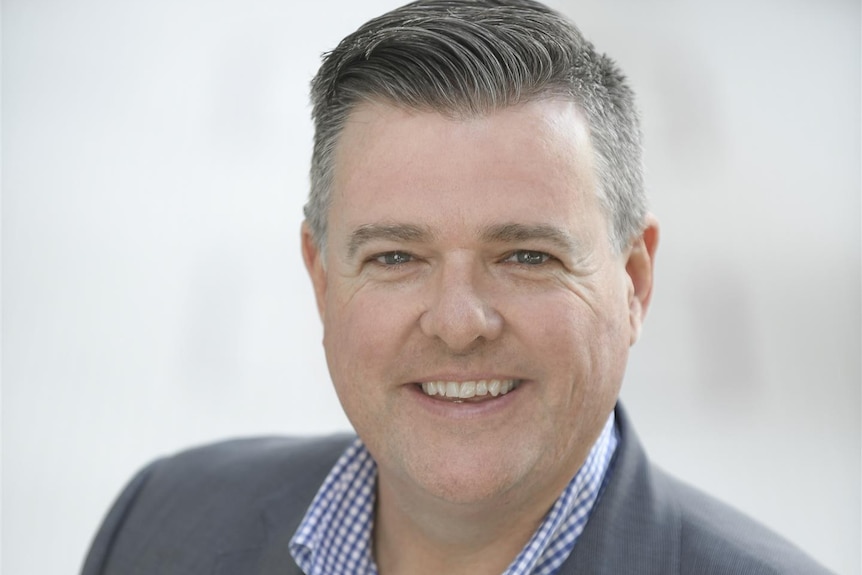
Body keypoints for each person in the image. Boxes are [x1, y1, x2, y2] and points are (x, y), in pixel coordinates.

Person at [81, 1, 831, 573]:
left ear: (634, 282)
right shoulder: (159, 528)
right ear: (320, 279)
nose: (458, 322)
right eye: (396, 257)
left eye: (527, 256)